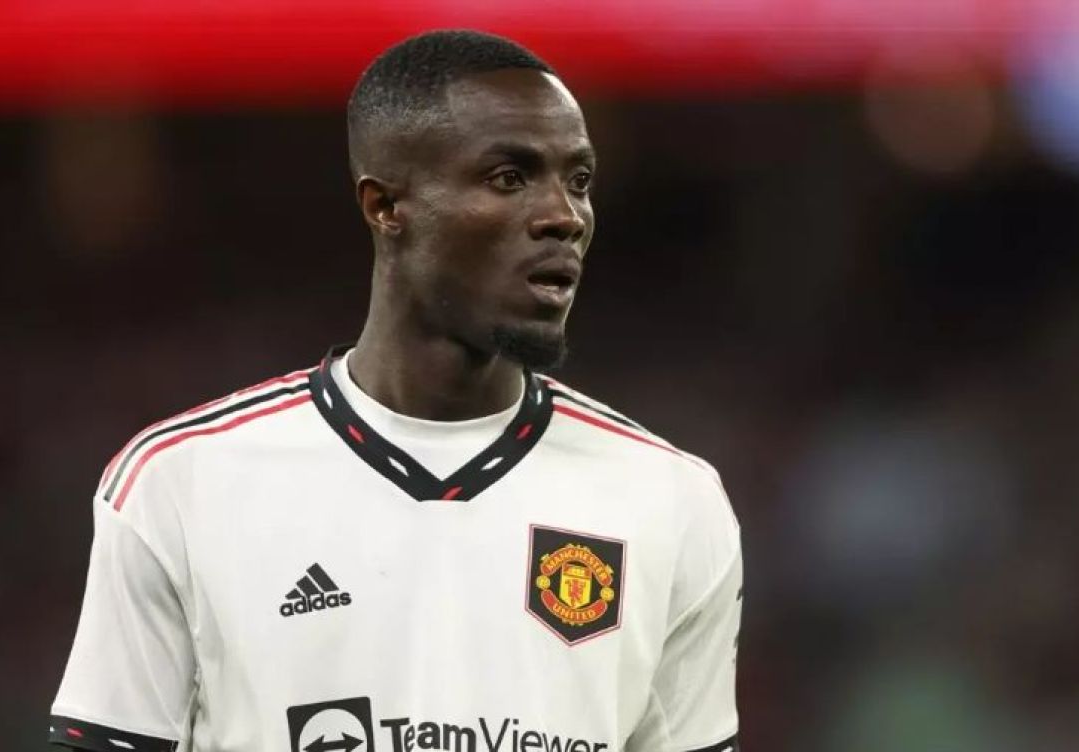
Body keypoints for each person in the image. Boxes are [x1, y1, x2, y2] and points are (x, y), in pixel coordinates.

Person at [48, 29, 743, 752]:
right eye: (510, 177)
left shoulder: (672, 502)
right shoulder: (179, 485)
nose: (563, 216)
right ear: (386, 206)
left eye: (579, 180)